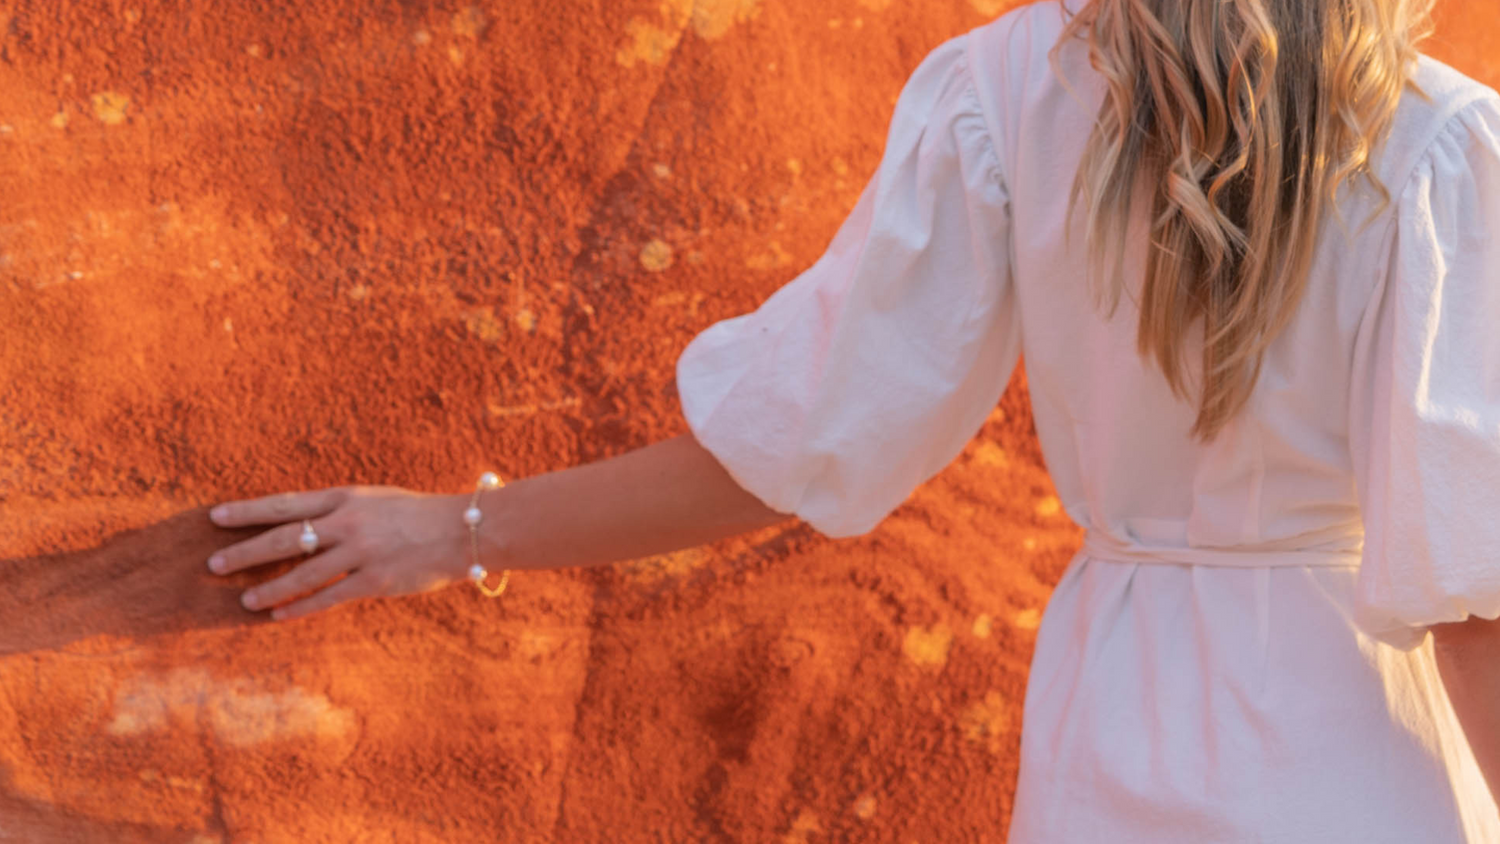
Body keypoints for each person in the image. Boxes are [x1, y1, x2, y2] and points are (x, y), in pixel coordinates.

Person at [203, 0, 1500, 838]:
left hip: (1110, 727)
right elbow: (1476, 599)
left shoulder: (1008, 90)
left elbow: (799, 443)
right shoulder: (1447, 149)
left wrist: (457, 529)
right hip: (1361, 761)